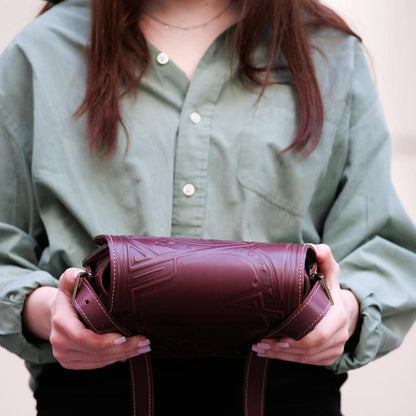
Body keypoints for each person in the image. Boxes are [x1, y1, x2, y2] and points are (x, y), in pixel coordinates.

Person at [1, 0, 416, 415]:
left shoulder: (328, 51)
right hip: (94, 397)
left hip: (285, 394)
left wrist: (347, 310)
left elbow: (381, 245)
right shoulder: (43, 50)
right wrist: (45, 310)